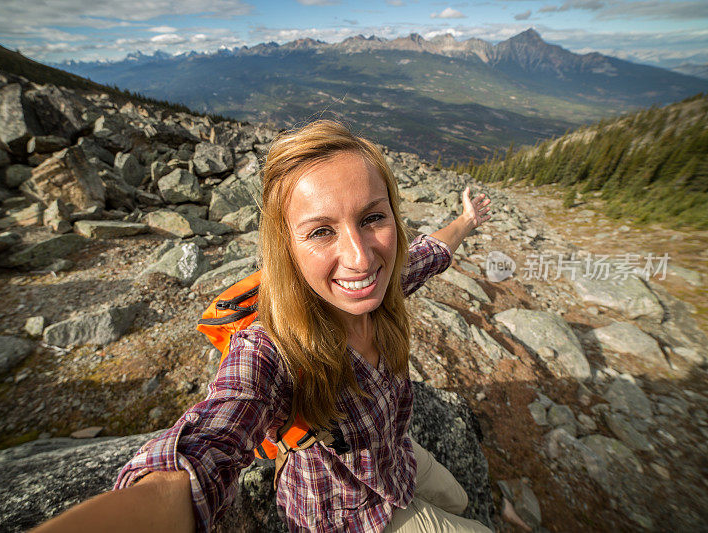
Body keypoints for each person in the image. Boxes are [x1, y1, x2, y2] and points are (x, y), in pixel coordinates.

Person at [31, 120, 492, 533]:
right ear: (286, 246)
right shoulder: (272, 349)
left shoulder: (384, 287)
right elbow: (214, 435)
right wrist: (165, 492)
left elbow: (431, 252)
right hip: (348, 514)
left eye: (372, 217)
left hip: (397, 456)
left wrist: (468, 219)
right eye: (321, 231)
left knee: (462, 498)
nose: (360, 257)